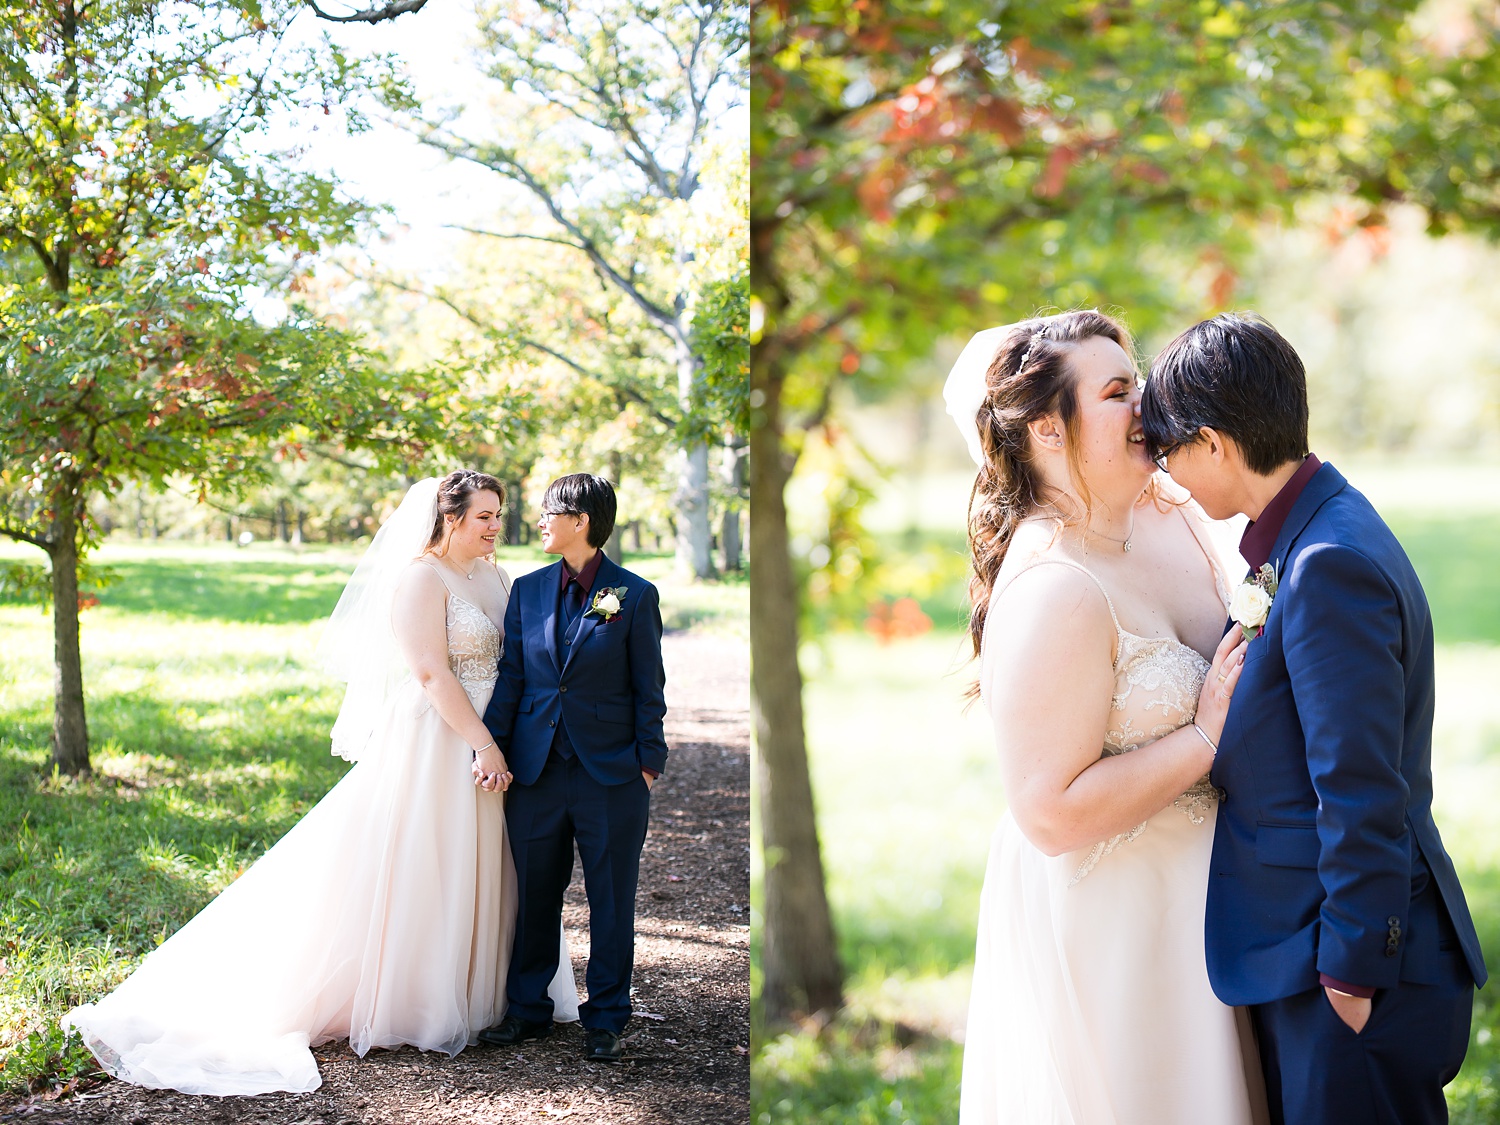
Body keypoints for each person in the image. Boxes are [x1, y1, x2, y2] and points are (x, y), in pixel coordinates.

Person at [63, 470, 578, 1095]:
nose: (497, 526)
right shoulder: (420, 578)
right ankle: (417, 999)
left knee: (489, 863)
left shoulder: (496, 577)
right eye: (484, 517)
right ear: (450, 519)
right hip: (441, 741)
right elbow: (429, 674)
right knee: (428, 860)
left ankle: (489, 992)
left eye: (499, 515)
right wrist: (484, 744)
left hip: (494, 742)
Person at [1141, 312, 1487, 1125]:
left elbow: (1361, 783)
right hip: (1310, 955)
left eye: (1170, 451)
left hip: (1351, 969)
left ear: (1216, 443)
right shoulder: (1307, 531)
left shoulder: (1326, 562)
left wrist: (1353, 976)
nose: (1169, 472)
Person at [943, 310, 1268, 1124]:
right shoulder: (1053, 587)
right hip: (1119, 928)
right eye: (1120, 392)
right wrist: (1202, 737)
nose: (1148, 407)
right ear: (1049, 429)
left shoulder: (1168, 513)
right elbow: (1049, 812)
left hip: (1214, 907)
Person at [474, 473, 667, 1064]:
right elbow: (513, 679)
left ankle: (607, 1017)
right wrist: (497, 750)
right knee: (534, 895)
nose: (537, 523)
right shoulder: (526, 591)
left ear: (579, 521)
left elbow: (648, 685)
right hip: (535, 771)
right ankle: (528, 1010)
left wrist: (648, 762)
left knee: (612, 900)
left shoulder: (633, 594)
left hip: (612, 773)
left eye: (547, 513)